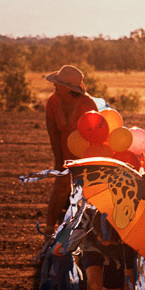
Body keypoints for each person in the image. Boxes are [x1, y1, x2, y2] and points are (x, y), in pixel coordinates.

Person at [43, 65, 96, 235]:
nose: (54, 86)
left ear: (67, 88)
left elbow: (96, 137)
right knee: (60, 188)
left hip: (87, 156)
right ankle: (48, 233)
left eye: (58, 84)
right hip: (66, 154)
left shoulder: (87, 104)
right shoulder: (52, 102)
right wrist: (59, 161)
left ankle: (84, 236)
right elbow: (53, 134)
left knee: (86, 196)